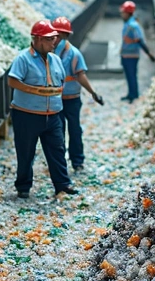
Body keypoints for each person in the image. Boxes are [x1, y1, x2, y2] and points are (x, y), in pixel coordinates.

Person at [8, 20, 77, 199]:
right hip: (27, 115)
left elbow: (60, 80)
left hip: (53, 114)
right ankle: (23, 186)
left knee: (57, 149)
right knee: (25, 151)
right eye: (49, 39)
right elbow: (12, 81)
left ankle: (62, 184)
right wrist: (34, 91)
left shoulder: (55, 59)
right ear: (37, 39)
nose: (54, 42)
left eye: (55, 38)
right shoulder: (23, 58)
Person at [51, 16, 103, 172]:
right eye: (55, 35)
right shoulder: (49, 52)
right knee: (57, 132)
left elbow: (81, 75)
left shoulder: (74, 54)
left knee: (74, 130)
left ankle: (77, 160)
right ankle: (60, 162)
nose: (56, 39)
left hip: (72, 99)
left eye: (59, 35)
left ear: (65, 36)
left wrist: (93, 93)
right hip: (55, 100)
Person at [119, 1, 155, 102]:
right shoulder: (128, 24)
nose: (122, 14)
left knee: (131, 75)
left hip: (131, 55)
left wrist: (149, 54)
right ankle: (131, 93)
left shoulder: (133, 25)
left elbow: (140, 40)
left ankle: (134, 95)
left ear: (128, 13)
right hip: (126, 55)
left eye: (123, 12)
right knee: (129, 75)